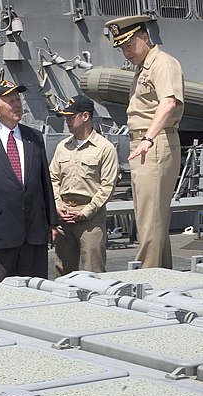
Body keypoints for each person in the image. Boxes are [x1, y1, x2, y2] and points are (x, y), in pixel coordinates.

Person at [105, 15, 184, 269]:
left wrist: (148, 139)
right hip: (144, 145)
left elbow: (169, 102)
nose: (126, 52)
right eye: (121, 48)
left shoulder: (163, 64)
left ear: (145, 38)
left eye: (129, 45)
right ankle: (162, 276)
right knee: (151, 220)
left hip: (155, 143)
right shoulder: (143, 69)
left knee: (150, 222)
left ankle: (146, 278)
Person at [0, 80, 58, 283]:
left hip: (33, 233)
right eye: (10, 101)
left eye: (18, 100)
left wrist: (51, 222)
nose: (17, 104)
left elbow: (44, 182)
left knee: (36, 290)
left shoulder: (34, 137)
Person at [49, 95, 119, 275]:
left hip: (90, 219)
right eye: (66, 117)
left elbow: (107, 187)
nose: (67, 121)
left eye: (71, 117)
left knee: (93, 271)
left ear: (85, 116)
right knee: (63, 271)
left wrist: (85, 212)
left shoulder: (105, 148)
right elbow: (53, 179)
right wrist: (58, 205)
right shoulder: (62, 147)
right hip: (64, 216)